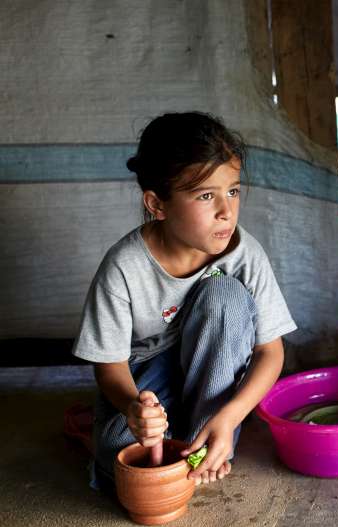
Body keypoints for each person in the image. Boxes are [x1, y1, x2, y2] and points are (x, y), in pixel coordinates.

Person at [73, 112, 297, 489]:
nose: (226, 211)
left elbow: (270, 352)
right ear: (157, 204)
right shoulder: (123, 267)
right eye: (206, 195)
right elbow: (109, 368)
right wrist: (134, 409)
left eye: (233, 190)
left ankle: (204, 441)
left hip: (215, 375)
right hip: (146, 376)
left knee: (225, 295)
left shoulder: (244, 253)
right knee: (119, 458)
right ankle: (153, 438)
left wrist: (231, 415)